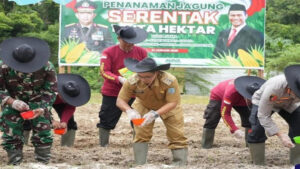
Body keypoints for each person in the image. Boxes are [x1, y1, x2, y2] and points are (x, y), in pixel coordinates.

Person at [116, 57, 188, 166]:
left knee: (176, 134)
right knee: (141, 133)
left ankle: (179, 164)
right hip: (143, 105)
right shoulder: (132, 80)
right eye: (141, 76)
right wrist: (129, 111)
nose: (144, 79)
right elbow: (120, 100)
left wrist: (155, 114)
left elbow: (172, 102)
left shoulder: (169, 80)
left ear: (157, 73)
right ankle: (140, 163)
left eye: (148, 76)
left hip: (168, 106)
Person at [0, 37, 57, 165]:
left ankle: (42, 163)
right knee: (11, 134)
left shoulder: (47, 67)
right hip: (13, 102)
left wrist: (43, 108)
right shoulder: (3, 67)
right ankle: (15, 163)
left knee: (43, 132)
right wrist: (11, 101)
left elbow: (51, 91)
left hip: (38, 102)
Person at [97, 25, 148, 147]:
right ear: (119, 38)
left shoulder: (142, 52)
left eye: (132, 43)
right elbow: (104, 72)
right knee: (106, 118)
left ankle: (139, 143)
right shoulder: (108, 52)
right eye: (126, 42)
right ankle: (103, 145)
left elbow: (147, 69)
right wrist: (119, 79)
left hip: (136, 92)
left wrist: (140, 78)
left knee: (138, 117)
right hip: (113, 92)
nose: (129, 45)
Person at [247, 65, 300, 165]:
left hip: (288, 103)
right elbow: (263, 114)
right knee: (257, 127)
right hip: (263, 101)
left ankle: (297, 161)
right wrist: (280, 135)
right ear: (291, 87)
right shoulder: (275, 87)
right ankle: (258, 162)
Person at [23, 73, 91, 147]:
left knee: (70, 122)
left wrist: (64, 121)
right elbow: (39, 107)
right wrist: (51, 120)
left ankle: (66, 147)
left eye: (69, 99)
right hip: (39, 101)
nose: (67, 101)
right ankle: (23, 144)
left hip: (56, 101)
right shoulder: (46, 88)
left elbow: (70, 107)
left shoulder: (72, 92)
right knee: (28, 119)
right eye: (66, 98)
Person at [201, 76, 265, 149]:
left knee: (250, 118)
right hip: (219, 96)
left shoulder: (256, 89)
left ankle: (250, 144)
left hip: (241, 101)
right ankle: (206, 145)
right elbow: (225, 113)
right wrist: (234, 129)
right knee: (212, 117)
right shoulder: (231, 92)